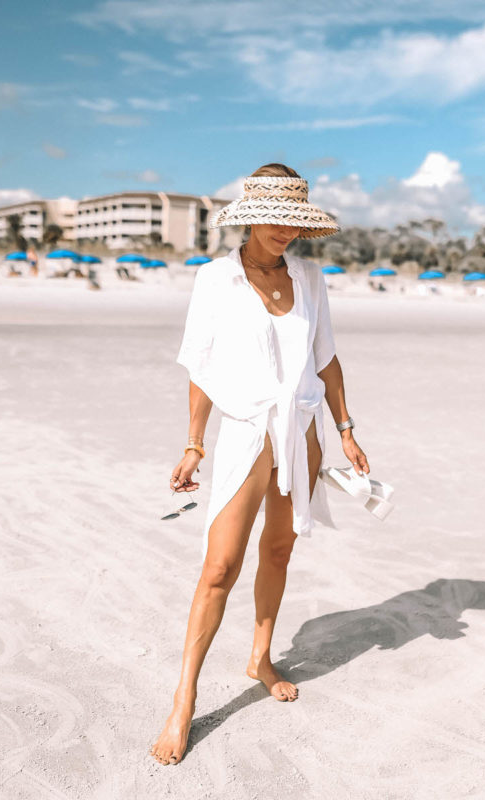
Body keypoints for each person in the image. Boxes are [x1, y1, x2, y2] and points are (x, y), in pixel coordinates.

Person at [150, 164, 370, 766]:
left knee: (278, 551)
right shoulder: (216, 278)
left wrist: (347, 429)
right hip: (248, 432)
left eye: (293, 222)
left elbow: (326, 359)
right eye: (274, 219)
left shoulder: (311, 275)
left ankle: (260, 657)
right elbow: (201, 364)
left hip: (302, 430)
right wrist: (194, 443)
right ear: (249, 216)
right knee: (220, 566)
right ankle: (185, 697)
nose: (283, 232)